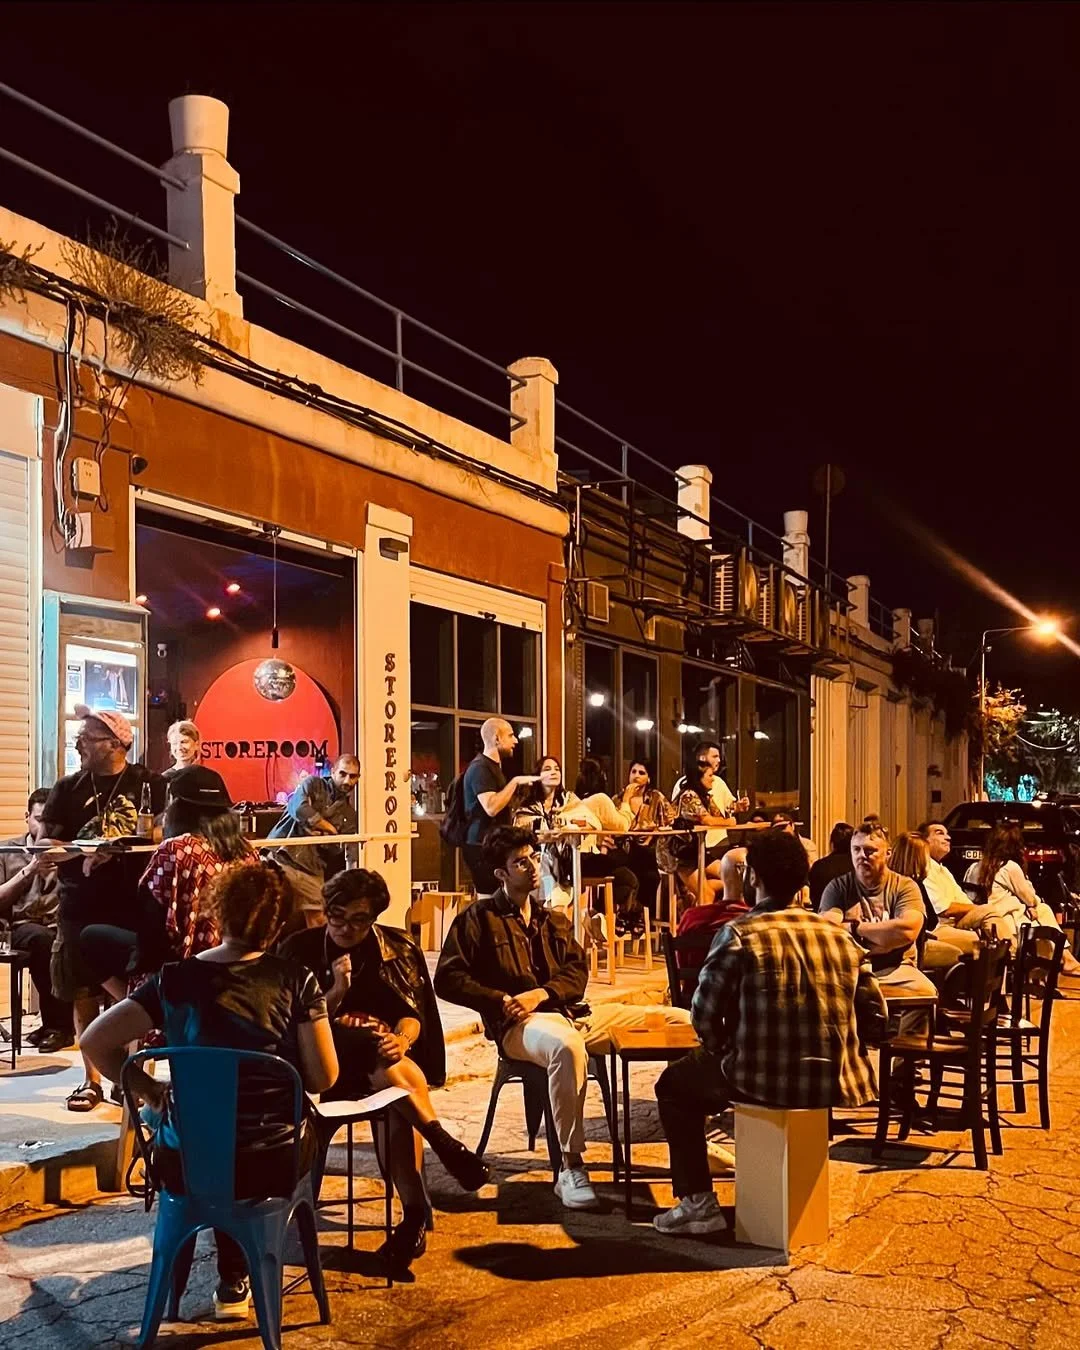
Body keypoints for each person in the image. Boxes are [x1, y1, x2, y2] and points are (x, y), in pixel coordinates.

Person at [81, 859, 338, 1322]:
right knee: (287, 1133)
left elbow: (94, 1041)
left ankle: (224, 1276)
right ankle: (240, 1274)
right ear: (278, 925)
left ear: (216, 915)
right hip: (270, 1162)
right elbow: (323, 1079)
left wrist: (149, 1091)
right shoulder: (295, 980)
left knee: (202, 1135)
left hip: (188, 1165)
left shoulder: (172, 980)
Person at [434, 826, 690, 1211]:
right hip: (519, 1027)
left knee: (680, 1020)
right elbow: (448, 978)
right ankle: (571, 1167)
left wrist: (543, 993)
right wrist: (499, 999)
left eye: (533, 858)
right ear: (501, 874)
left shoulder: (550, 918)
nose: (532, 867)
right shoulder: (478, 919)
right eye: (520, 862)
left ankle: (693, 1144)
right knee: (565, 1047)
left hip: (573, 1013)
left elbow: (577, 970)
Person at [652, 830, 886, 1236]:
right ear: (803, 880)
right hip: (833, 1079)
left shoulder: (740, 934)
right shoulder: (839, 937)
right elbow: (876, 1015)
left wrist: (725, 1049)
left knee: (673, 1086)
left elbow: (703, 1015)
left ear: (753, 877)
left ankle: (697, 1203)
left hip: (759, 1078)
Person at [279, 868, 488, 1268]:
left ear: (374, 918)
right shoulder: (298, 949)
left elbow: (411, 1014)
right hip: (319, 1068)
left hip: (381, 1070)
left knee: (393, 1094)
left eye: (358, 920)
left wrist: (403, 1040)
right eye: (335, 915)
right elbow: (294, 1026)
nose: (343, 927)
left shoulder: (397, 948)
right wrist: (336, 992)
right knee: (369, 1046)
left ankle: (413, 1218)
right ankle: (443, 1144)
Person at [38, 711, 167, 1111]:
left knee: (128, 991)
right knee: (82, 991)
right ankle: (90, 1079)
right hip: (79, 902)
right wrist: (83, 851)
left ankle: (123, 1072)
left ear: (115, 743)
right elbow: (45, 845)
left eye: (86, 738)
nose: (78, 744)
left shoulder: (150, 783)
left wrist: (121, 847)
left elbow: (166, 833)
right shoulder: (67, 787)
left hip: (133, 903)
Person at [80, 766, 253, 1000]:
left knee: (90, 937)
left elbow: (152, 923)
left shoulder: (177, 849)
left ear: (178, 807)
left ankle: (140, 1007)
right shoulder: (247, 851)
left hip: (183, 962)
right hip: (236, 961)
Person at [819, 822, 937, 1032]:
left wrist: (855, 930)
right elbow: (827, 932)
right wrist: (885, 938)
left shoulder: (904, 886)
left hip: (896, 968)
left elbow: (907, 930)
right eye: (856, 850)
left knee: (926, 993)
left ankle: (903, 1059)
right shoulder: (838, 887)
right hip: (851, 970)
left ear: (888, 853)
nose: (862, 855)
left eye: (870, 850)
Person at [514, 755, 637, 927]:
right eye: (547, 769)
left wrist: (571, 826)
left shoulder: (569, 800)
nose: (554, 772)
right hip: (542, 863)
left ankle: (594, 919)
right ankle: (555, 935)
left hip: (570, 860)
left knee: (627, 875)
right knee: (553, 899)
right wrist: (548, 834)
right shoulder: (528, 807)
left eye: (557, 769)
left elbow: (591, 821)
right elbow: (522, 831)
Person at [0, 790, 74, 1053]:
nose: (44, 828)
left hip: (59, 925)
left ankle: (58, 1025)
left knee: (64, 940)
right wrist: (28, 870)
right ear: (27, 817)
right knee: (44, 940)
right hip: (18, 927)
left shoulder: (67, 851)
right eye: (38, 819)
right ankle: (59, 1027)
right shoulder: (7, 851)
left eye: (50, 822)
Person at [964, 822, 1080, 973]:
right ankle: (1055, 966)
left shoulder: (974, 867)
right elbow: (1030, 897)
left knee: (1041, 912)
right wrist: (1030, 904)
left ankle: (1065, 958)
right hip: (1006, 920)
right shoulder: (1009, 867)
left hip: (986, 917)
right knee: (1042, 910)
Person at [269, 754, 360, 927]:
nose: (347, 781)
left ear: (358, 779)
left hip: (311, 868)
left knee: (319, 921)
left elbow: (338, 849)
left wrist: (323, 834)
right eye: (343, 774)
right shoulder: (313, 784)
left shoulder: (349, 814)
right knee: (269, 916)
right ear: (332, 772)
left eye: (352, 776)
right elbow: (299, 808)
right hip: (280, 857)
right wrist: (330, 828)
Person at [460, 719, 540, 895]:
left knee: (499, 898)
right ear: (497, 739)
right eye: (511, 735)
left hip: (490, 845)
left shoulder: (492, 767)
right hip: (480, 846)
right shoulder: (480, 768)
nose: (516, 741)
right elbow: (491, 807)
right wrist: (515, 782)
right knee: (489, 900)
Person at [889, 831, 973, 971]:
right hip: (917, 944)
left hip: (903, 943)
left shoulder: (888, 881)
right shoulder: (914, 884)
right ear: (917, 858)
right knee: (959, 953)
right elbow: (932, 922)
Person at [917, 820, 1011, 940]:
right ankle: (1013, 953)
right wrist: (978, 909)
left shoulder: (944, 870)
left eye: (947, 833)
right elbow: (944, 909)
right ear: (924, 841)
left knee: (991, 917)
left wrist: (978, 911)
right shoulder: (924, 868)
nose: (948, 838)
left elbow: (964, 901)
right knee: (989, 918)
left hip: (958, 921)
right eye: (940, 833)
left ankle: (1011, 952)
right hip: (940, 926)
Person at [612, 759, 676, 918]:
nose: (636, 776)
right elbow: (612, 828)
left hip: (651, 851)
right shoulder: (618, 800)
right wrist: (626, 800)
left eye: (641, 773)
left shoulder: (656, 798)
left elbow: (673, 821)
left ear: (648, 778)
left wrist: (654, 831)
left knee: (650, 874)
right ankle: (633, 913)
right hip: (623, 852)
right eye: (633, 772)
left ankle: (637, 913)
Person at [670, 741, 749, 854]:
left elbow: (725, 810)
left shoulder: (716, 784)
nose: (719, 760)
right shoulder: (688, 793)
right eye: (715, 756)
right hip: (691, 849)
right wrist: (730, 822)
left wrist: (738, 807)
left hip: (718, 842)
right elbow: (707, 819)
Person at [675, 847, 749, 948]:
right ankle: (704, 937)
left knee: (731, 869)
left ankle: (693, 894)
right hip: (676, 853)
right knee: (708, 893)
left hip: (697, 849)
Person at [808, 822, 855, 908]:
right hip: (853, 917)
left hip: (823, 916)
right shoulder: (859, 867)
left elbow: (813, 897)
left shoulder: (819, 866)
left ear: (832, 843)